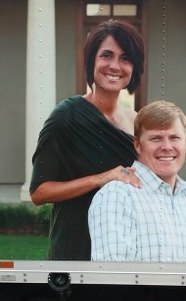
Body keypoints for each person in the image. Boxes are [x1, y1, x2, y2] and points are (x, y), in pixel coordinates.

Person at [29, 20, 144, 260]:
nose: (115, 66)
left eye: (125, 58)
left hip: (124, 249)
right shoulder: (66, 116)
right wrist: (101, 178)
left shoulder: (137, 122)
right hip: (74, 249)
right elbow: (39, 192)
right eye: (106, 55)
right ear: (92, 60)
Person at [88, 101, 186, 263]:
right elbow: (113, 275)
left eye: (174, 138)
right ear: (137, 145)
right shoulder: (116, 197)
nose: (166, 147)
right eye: (156, 138)